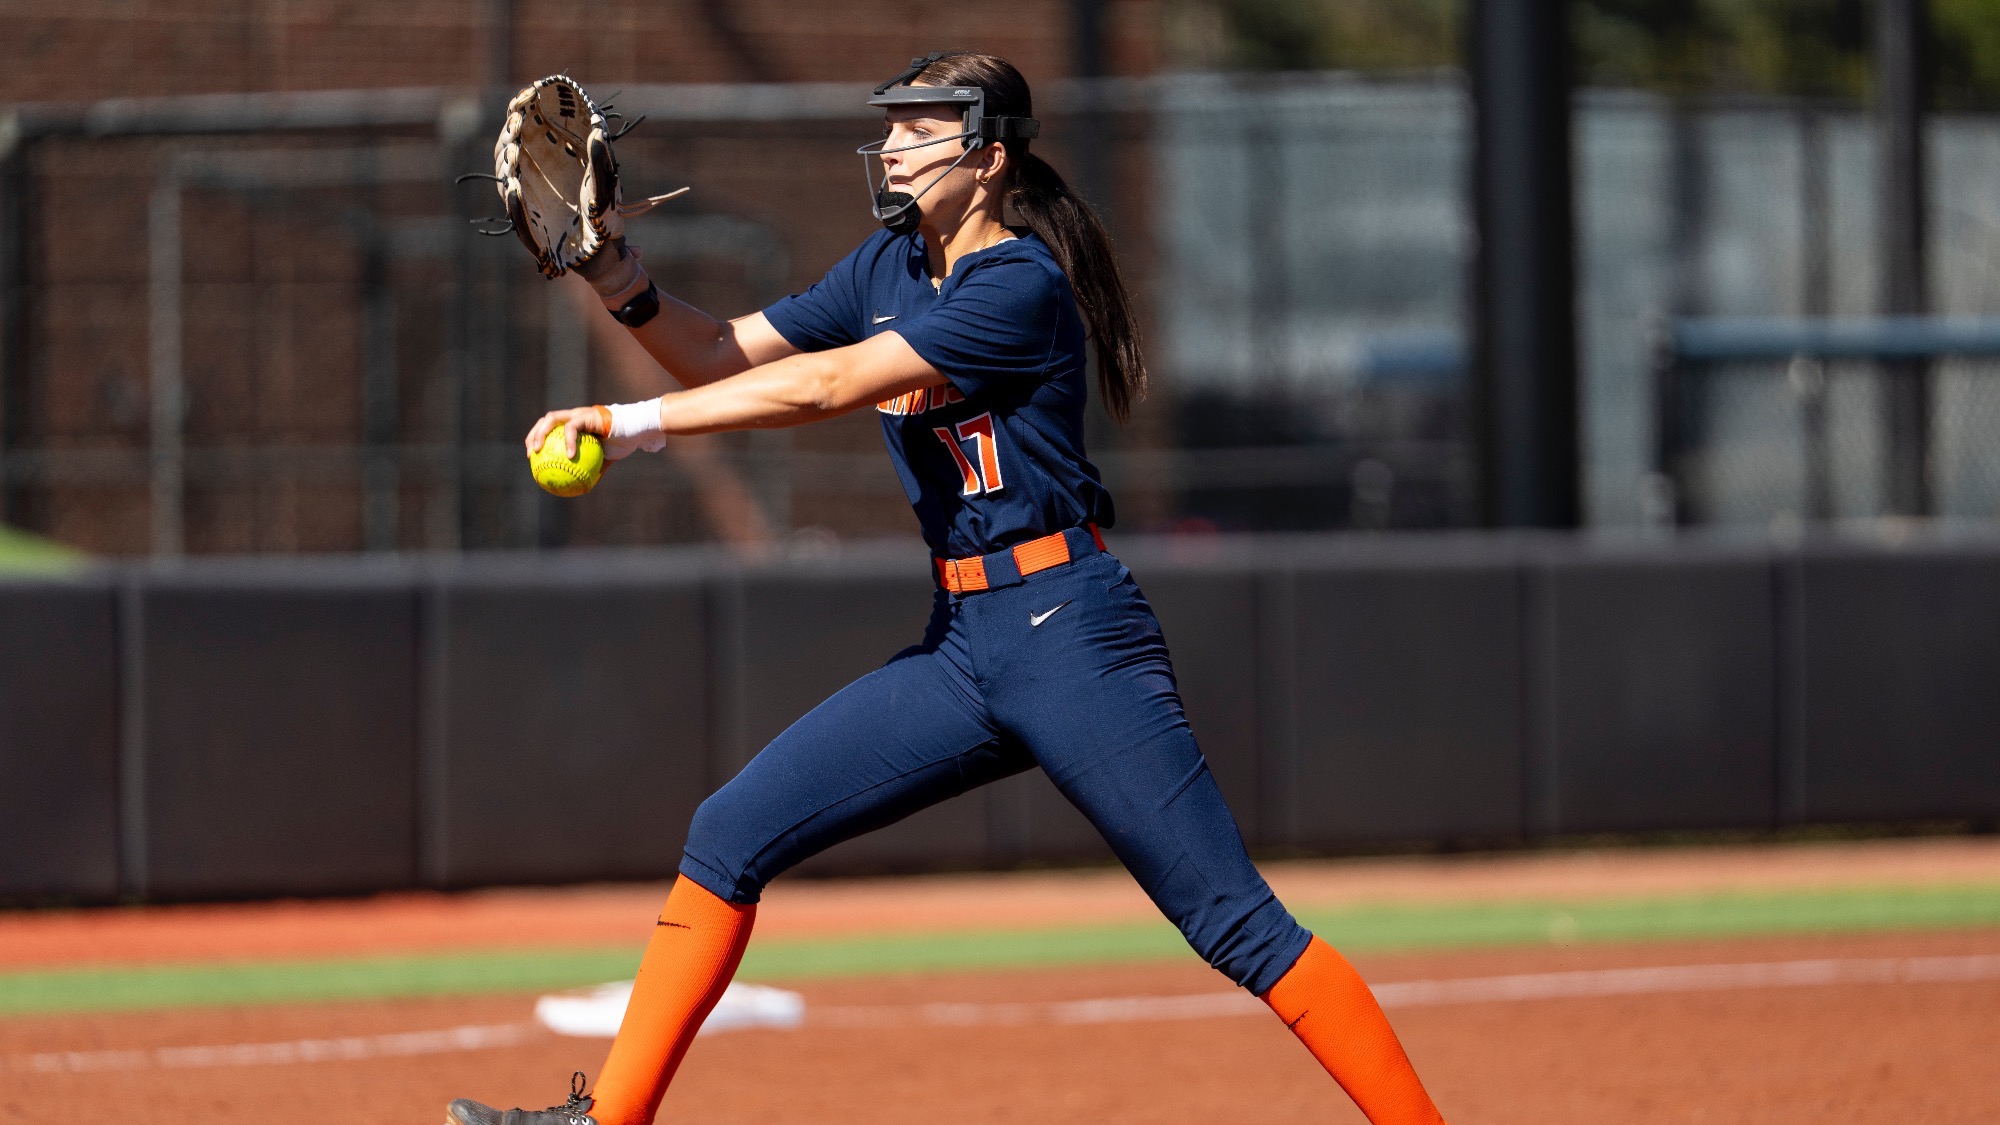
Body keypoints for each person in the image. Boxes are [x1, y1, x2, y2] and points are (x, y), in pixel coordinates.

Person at [447, 51, 1449, 1125]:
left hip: (1069, 634)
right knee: (729, 831)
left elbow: (825, 385)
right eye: (890, 125)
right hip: (965, 644)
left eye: (920, 129)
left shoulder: (1018, 283)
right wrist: (614, 276)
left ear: (989, 157)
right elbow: (723, 352)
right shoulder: (887, 266)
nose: (890, 146)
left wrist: (627, 423)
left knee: (1235, 924)